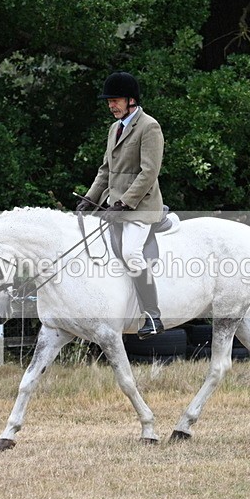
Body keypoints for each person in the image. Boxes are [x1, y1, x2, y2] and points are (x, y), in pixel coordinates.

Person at [76, 71, 165, 340]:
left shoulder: (149, 127)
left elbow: (149, 173)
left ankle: (152, 315)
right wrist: (88, 200)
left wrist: (125, 203)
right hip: (114, 206)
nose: (111, 105)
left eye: (115, 100)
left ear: (131, 100)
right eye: (109, 101)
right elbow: (106, 171)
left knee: (131, 254)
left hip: (141, 207)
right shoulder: (114, 129)